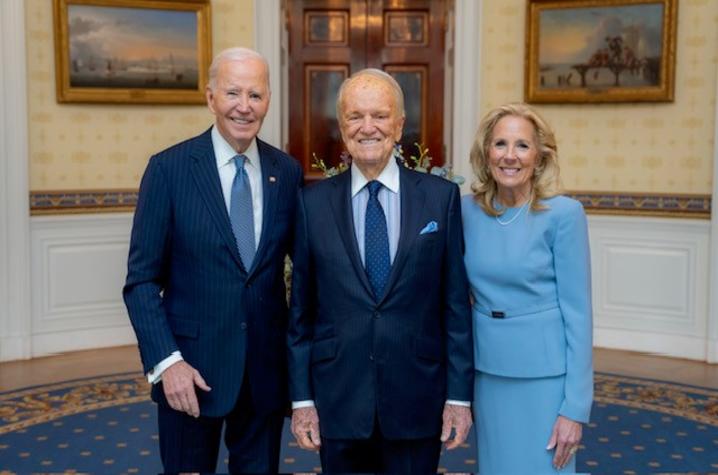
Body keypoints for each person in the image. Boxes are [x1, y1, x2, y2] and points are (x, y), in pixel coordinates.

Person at [123, 47, 302, 473]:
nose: (244, 106)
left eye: (256, 95)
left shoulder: (287, 171)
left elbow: (309, 268)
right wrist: (168, 362)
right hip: (190, 373)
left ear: (269, 101)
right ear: (210, 98)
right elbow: (141, 282)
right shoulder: (169, 170)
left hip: (263, 374)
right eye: (233, 93)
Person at [287, 68, 474, 474]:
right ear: (341, 126)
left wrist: (459, 397)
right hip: (338, 398)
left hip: (417, 396)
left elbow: (455, 306)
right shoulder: (310, 204)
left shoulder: (441, 199)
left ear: (400, 125)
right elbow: (301, 313)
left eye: (380, 116)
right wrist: (302, 401)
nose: (367, 127)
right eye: (355, 116)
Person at [462, 102, 593, 473]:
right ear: (486, 153)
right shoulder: (464, 211)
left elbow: (579, 315)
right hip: (487, 373)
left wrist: (575, 407)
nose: (510, 156)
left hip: (545, 377)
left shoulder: (564, 215)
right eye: (500, 144)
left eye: (522, 145)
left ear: (539, 156)